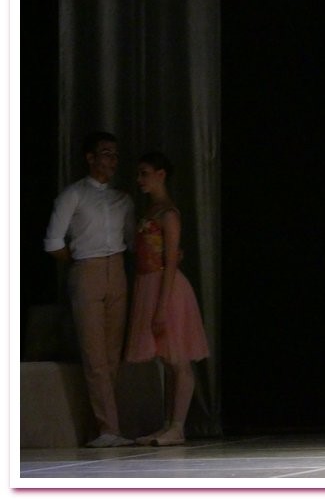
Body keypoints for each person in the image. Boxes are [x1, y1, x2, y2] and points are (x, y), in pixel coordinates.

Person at [44, 131, 135, 448]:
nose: (112, 160)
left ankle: (106, 427)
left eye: (115, 154)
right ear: (90, 157)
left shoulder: (122, 199)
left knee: (112, 354)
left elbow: (131, 240)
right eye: (106, 153)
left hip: (118, 269)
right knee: (94, 353)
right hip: (87, 269)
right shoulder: (74, 195)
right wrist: (81, 262)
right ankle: (107, 428)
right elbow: (53, 243)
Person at [124, 152, 209, 446]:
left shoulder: (169, 213)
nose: (140, 180)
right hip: (148, 283)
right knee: (166, 360)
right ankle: (168, 424)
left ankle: (177, 425)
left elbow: (171, 259)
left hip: (167, 287)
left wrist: (161, 307)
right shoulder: (152, 210)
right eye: (139, 174)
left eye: (145, 173)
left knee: (178, 358)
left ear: (161, 174)